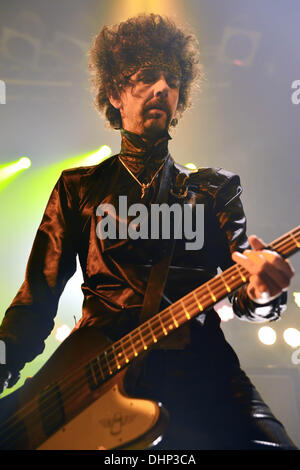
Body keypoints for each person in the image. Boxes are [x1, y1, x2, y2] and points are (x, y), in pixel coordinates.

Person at [0, 13, 297, 450]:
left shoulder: (215, 190)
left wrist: (263, 291)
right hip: (91, 375)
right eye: (145, 78)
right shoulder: (78, 188)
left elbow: (244, 292)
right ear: (116, 92)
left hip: (201, 369)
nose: (162, 88)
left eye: (172, 80)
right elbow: (35, 302)